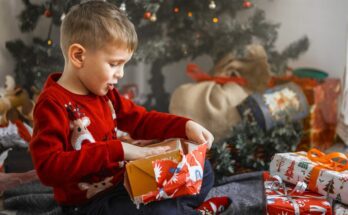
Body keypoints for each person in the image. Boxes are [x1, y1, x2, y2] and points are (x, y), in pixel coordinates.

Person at [29, 1, 215, 214]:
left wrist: (186, 126)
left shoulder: (106, 94)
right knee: (158, 210)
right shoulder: (52, 104)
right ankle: (174, 208)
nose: (121, 74)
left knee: (203, 170)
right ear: (79, 56)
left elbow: (141, 121)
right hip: (91, 204)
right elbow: (48, 169)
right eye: (114, 64)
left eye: (124, 65)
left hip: (124, 183)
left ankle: (172, 207)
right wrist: (120, 150)